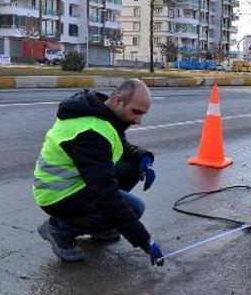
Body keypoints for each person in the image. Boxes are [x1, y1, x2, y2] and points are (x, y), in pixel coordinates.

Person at [32, 79, 164, 265]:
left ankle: (99, 227)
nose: (138, 121)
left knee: (133, 167)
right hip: (57, 194)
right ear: (118, 101)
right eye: (136, 112)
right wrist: (144, 241)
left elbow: (119, 145)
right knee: (135, 208)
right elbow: (107, 196)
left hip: (78, 181)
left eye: (143, 114)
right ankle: (60, 229)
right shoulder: (90, 133)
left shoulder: (101, 112)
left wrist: (143, 158)